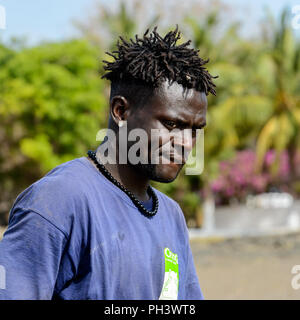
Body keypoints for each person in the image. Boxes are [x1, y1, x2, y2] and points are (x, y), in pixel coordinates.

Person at [0, 26, 216, 300]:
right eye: (171, 124)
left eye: (195, 129)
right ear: (121, 111)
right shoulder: (59, 201)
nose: (186, 142)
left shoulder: (171, 216)